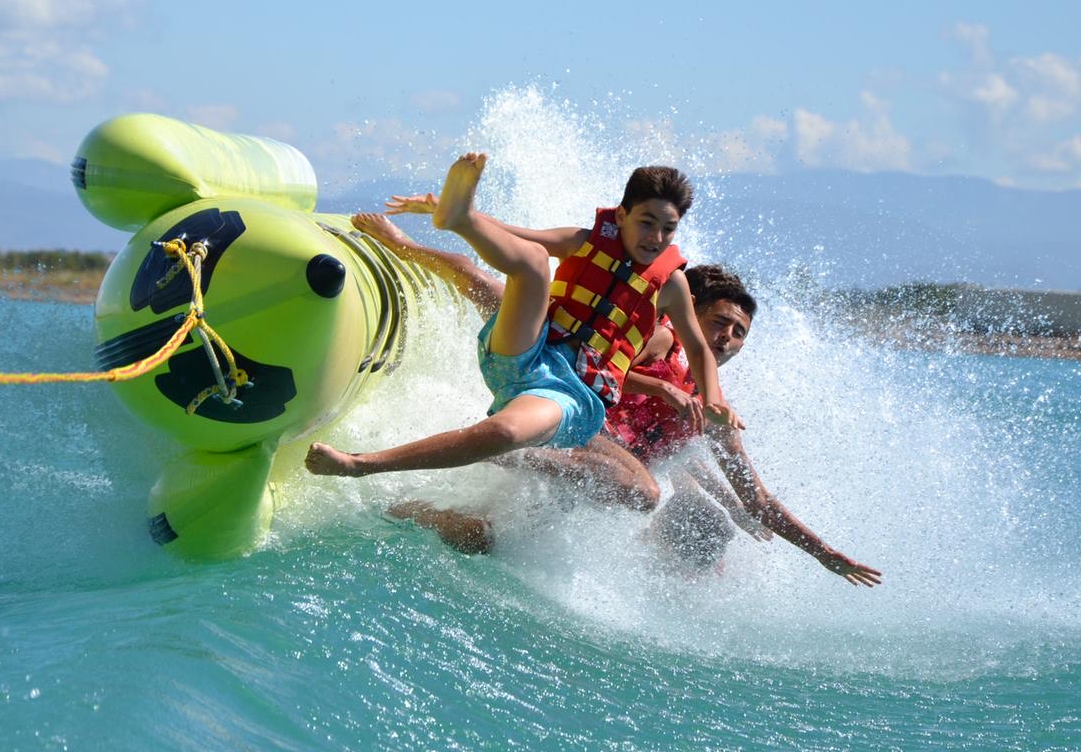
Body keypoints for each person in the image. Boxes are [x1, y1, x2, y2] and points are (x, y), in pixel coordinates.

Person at [351, 210, 880, 586]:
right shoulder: (664, 340)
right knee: (494, 289)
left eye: (740, 333)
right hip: (572, 408)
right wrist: (659, 385)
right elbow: (605, 366)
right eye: (721, 323)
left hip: (592, 471)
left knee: (479, 539)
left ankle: (400, 509)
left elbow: (756, 499)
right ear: (693, 315)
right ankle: (404, 245)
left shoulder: (714, 410)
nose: (728, 339)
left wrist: (825, 555)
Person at [304, 154, 735, 478]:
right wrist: (449, 210)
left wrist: (712, 399)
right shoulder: (583, 240)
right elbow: (514, 235)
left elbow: (699, 349)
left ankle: (360, 464)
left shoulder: (671, 285)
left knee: (506, 434)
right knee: (531, 261)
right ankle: (450, 222)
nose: (656, 237)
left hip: (571, 394)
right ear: (621, 215)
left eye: (668, 228)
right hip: (530, 344)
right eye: (647, 222)